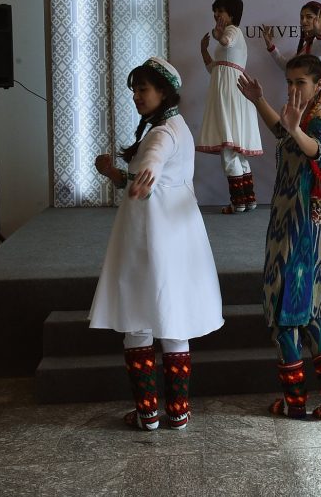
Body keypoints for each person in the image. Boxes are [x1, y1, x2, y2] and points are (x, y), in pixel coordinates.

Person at [89, 57, 224, 431]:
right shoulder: (170, 125)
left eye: (143, 89)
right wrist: (116, 173)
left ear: (164, 92)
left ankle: (148, 413)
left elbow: (154, 159)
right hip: (174, 236)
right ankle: (177, 412)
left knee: (138, 318)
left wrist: (147, 170)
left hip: (148, 238)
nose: (136, 96)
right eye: (134, 89)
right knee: (172, 319)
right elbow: (143, 172)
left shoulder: (163, 133)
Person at [237, 54, 321, 420]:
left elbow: (314, 149)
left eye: (300, 82)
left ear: (319, 86)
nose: (292, 88)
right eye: (289, 81)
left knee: (288, 314)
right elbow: (282, 131)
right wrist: (259, 101)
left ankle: (296, 400)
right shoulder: (298, 116)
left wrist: (295, 127)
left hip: (303, 229)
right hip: (287, 224)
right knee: (308, 314)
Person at [264, 0, 321, 209]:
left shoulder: (319, 45)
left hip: (319, 101)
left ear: (320, 20)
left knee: (319, 148)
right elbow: (288, 66)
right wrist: (271, 47)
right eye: (302, 17)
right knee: (306, 146)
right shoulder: (305, 46)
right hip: (304, 103)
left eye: (309, 17)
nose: (304, 21)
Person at [197, 0, 263, 213]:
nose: (216, 15)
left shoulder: (232, 30)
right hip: (230, 91)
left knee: (229, 148)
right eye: (215, 11)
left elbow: (226, 40)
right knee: (237, 150)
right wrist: (204, 51)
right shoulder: (228, 42)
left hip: (229, 95)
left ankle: (238, 202)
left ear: (232, 14)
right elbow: (214, 69)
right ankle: (248, 199)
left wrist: (218, 35)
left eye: (220, 11)